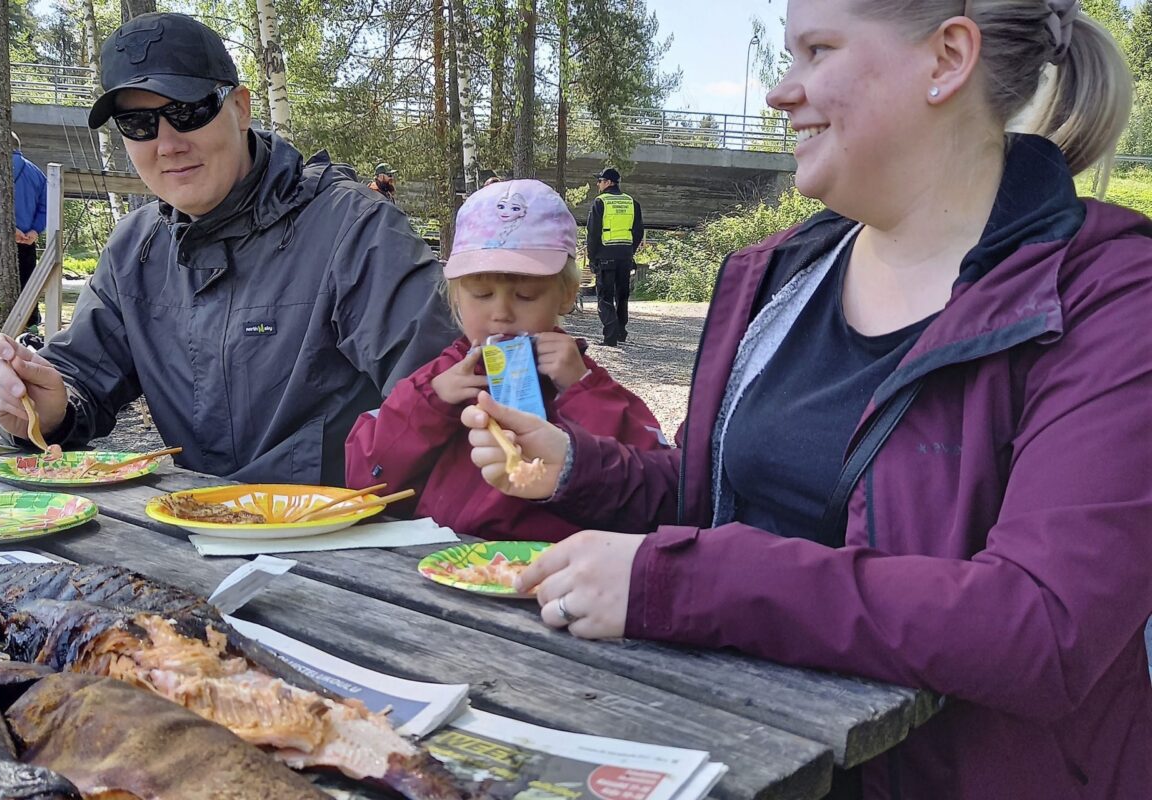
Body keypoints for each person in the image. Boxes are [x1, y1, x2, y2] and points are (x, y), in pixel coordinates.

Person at [462, 1, 1151, 796]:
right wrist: (581, 470)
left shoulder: (1107, 293)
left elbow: (1044, 627)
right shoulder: (778, 276)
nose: (779, 92)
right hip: (745, 760)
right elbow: (715, 495)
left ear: (947, 59)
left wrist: (682, 585)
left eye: (818, 50)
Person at [0, 12, 457, 485]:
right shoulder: (134, 249)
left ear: (240, 108)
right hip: (194, 533)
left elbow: (445, 391)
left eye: (188, 111)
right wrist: (45, 409)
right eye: (138, 123)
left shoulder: (355, 230)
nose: (167, 144)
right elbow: (81, 376)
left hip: (344, 538)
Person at [345, 179, 665, 539]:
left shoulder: (582, 379)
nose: (501, 313)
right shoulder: (439, 380)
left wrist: (585, 390)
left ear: (566, 297)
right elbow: (363, 480)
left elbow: (653, 486)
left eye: (526, 296)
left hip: (553, 569)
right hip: (441, 564)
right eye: (481, 294)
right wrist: (428, 402)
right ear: (455, 299)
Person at [586, 167, 643, 346]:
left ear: (609, 182)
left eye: (600, 180)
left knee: (605, 296)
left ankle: (610, 336)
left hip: (605, 255)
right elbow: (638, 231)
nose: (598, 184)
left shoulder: (600, 202)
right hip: (625, 256)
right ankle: (621, 332)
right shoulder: (632, 202)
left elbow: (593, 233)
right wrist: (629, 250)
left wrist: (592, 257)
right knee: (622, 295)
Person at [10, 132, 48, 330]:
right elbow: (46, 204)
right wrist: (35, 230)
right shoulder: (35, 172)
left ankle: (6, 324)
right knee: (28, 283)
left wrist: (9, 228)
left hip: (3, 239)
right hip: (28, 239)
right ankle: (31, 324)